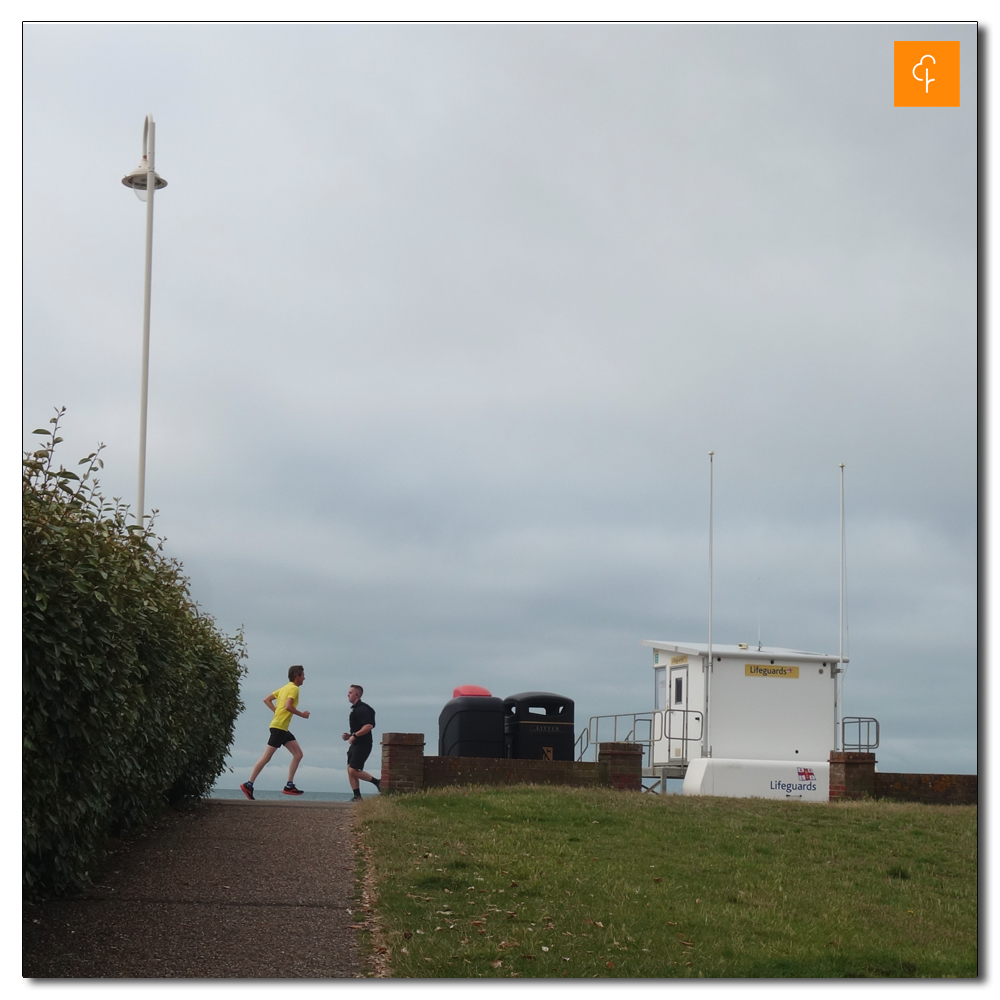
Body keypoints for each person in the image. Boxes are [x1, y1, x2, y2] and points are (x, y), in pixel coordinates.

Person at [240, 665, 311, 799]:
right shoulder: (294, 689)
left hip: (282, 728)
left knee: (298, 754)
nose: (304, 678)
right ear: (297, 677)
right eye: (303, 675)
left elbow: (266, 699)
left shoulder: (284, 688)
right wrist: (302, 714)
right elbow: (288, 706)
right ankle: (248, 784)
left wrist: (276, 711)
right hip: (279, 728)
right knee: (266, 757)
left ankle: (289, 785)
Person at [342, 684, 380, 800]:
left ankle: (378, 782)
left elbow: (368, 726)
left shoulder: (362, 709)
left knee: (353, 770)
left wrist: (355, 735)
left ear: (357, 695)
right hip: (355, 744)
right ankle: (357, 796)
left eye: (350, 693)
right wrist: (350, 736)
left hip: (363, 744)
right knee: (349, 769)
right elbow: (360, 728)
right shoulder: (355, 709)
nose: (347, 695)